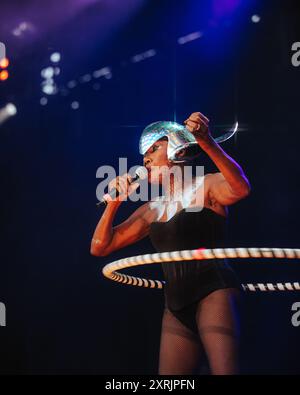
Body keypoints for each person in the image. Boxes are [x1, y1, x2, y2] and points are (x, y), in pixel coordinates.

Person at [90, 112, 250, 375]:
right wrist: (113, 204)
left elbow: (241, 188)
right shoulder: (151, 210)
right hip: (174, 303)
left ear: (177, 148)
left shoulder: (207, 184)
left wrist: (207, 141)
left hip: (214, 291)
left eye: (154, 148)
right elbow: (100, 247)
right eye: (144, 155)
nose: (146, 159)